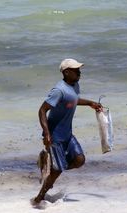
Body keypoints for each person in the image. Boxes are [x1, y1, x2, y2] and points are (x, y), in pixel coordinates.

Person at [33, 58, 102, 204]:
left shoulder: (75, 85)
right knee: (57, 170)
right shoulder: (58, 90)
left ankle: (50, 170)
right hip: (54, 136)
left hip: (67, 134)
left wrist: (90, 103)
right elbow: (42, 110)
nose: (79, 72)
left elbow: (74, 99)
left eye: (79, 69)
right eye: (76, 70)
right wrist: (46, 133)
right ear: (66, 72)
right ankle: (39, 197)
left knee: (79, 160)